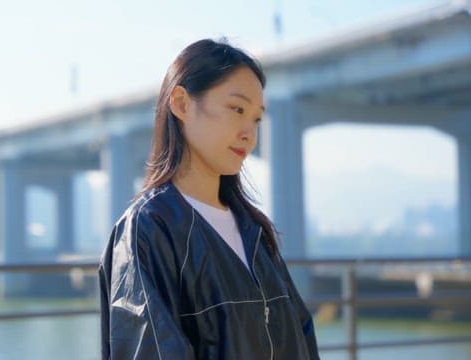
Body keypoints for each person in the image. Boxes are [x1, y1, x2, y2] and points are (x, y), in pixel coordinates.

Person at [98, 38, 320, 359]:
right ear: (182, 104)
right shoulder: (148, 229)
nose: (250, 132)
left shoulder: (253, 230)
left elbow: (302, 338)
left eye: (257, 118)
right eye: (237, 109)